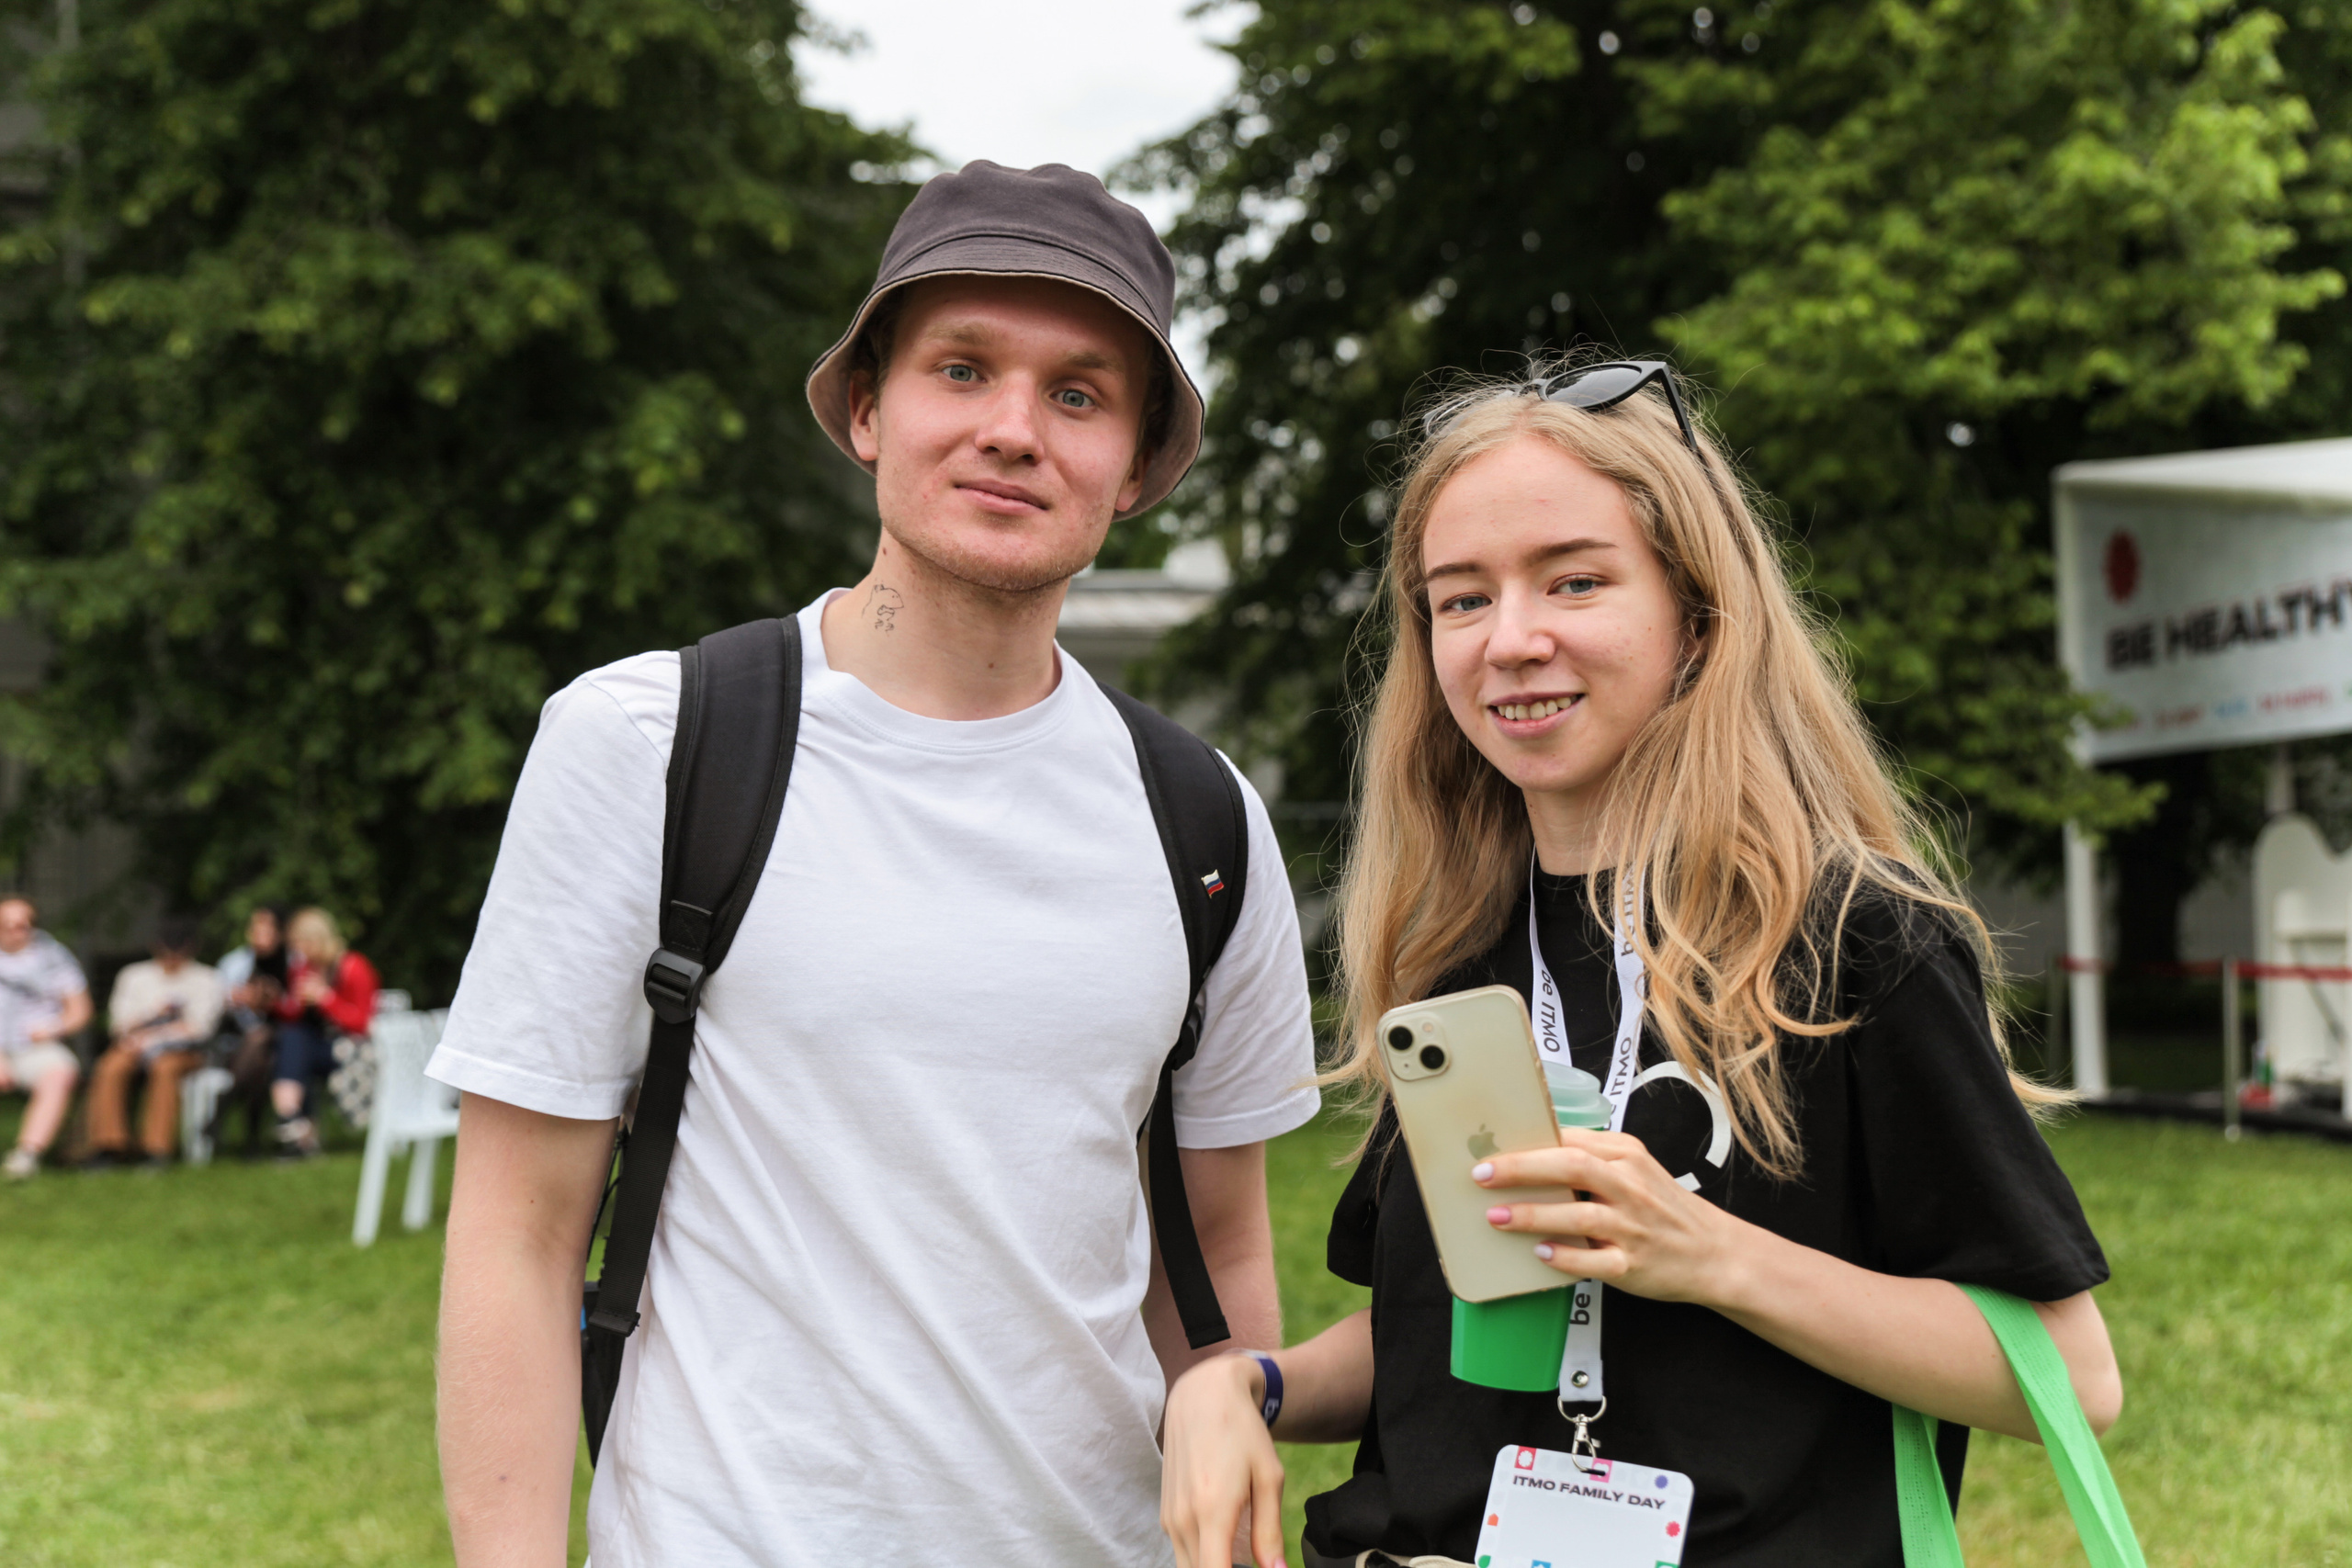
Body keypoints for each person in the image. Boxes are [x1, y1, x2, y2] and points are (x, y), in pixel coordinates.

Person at [431, 161, 1319, 1568]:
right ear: (866, 408)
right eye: (961, 369)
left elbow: (1218, 1256)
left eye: (1079, 394)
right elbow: (516, 1234)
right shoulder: (652, 742)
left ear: (1140, 465)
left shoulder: (1200, 817)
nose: (1012, 429)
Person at [1159, 362, 2122, 1568]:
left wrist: (1711, 1255)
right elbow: (1422, 1336)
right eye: (1462, 599)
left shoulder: (1853, 939)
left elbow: (2070, 1373)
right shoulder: (1456, 956)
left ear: (1698, 619)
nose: (1512, 639)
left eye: (1575, 580)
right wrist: (1245, 1384)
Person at [82, 915, 229, 1168]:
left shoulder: (207, 978)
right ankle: (110, 1145)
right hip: (134, 1044)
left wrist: (154, 1037)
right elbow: (119, 1024)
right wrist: (152, 1016)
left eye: (178, 950)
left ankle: (156, 1149)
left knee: (165, 1068)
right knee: (110, 1067)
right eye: (166, 950)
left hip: (185, 1052)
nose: (171, 957)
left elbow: (200, 1029)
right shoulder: (134, 976)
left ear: (191, 948)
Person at [269, 906, 379, 1156]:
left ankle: (292, 1125)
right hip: (317, 1047)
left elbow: (362, 1023)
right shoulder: (305, 968)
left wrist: (325, 998)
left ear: (316, 940)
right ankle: (292, 1120)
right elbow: (294, 1016)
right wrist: (277, 1002)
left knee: (295, 1045)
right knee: (293, 1038)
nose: (297, 950)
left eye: (300, 943)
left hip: (352, 1049)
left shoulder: (354, 967)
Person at [0, 896, 93, 1180]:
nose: (16, 931)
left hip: (35, 1047)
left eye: (23, 925)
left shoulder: (54, 957)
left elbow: (80, 1011)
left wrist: (53, 1028)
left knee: (61, 1072)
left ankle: (26, 1155)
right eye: (7, 925)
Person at [211, 904, 290, 1156]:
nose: (260, 933)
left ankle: (222, 1109)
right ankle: (252, 1140)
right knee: (260, 1058)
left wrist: (269, 1001)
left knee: (260, 1042)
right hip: (238, 1039)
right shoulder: (233, 964)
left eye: (267, 927)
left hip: (285, 1037)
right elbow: (215, 1006)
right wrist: (233, 1001)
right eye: (256, 926)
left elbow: (296, 1004)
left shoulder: (293, 961)